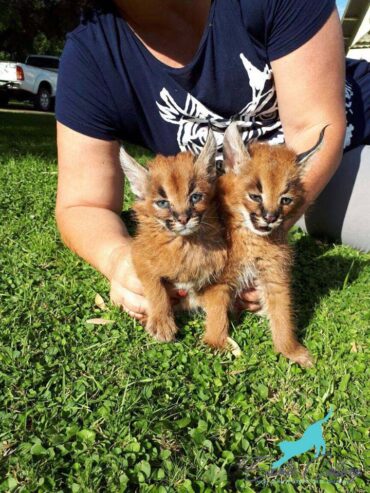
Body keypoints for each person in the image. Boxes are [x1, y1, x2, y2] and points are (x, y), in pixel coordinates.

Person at [55, 0, 370, 320]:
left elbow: (315, 129)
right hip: (246, 197)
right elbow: (83, 203)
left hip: (343, 153)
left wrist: (247, 249)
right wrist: (120, 260)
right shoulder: (92, 57)